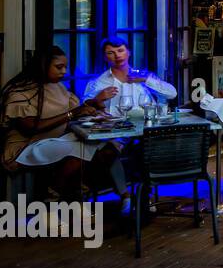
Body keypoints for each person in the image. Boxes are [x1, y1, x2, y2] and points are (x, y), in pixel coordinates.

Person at [2, 45, 124, 201]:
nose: (64, 71)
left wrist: (93, 106)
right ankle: (55, 193)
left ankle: (77, 190)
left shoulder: (58, 87)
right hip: (26, 146)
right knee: (79, 150)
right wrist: (72, 113)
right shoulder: (21, 92)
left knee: (108, 146)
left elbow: (76, 112)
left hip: (56, 140)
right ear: (43, 65)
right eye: (59, 67)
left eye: (65, 67)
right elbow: (30, 128)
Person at [86, 36, 178, 119]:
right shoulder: (97, 82)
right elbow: (84, 109)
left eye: (120, 50)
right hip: (113, 131)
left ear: (128, 52)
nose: (117, 56)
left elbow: (172, 94)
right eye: (111, 53)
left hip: (145, 127)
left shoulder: (144, 76)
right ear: (105, 57)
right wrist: (97, 99)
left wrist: (146, 79)